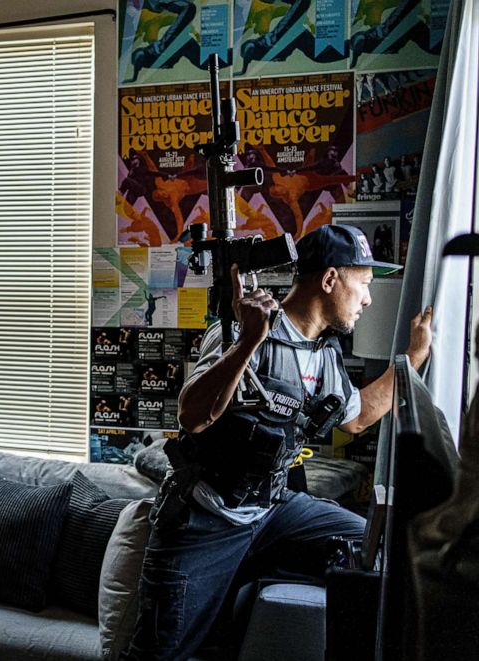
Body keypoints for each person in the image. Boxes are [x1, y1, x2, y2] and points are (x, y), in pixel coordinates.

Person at [121, 224, 433, 660]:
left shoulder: (324, 351)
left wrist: (413, 360)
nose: (368, 299)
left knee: (377, 547)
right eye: (362, 284)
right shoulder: (243, 328)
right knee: (159, 653)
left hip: (274, 511)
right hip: (207, 520)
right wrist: (249, 341)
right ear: (329, 279)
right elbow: (192, 417)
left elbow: (357, 417)